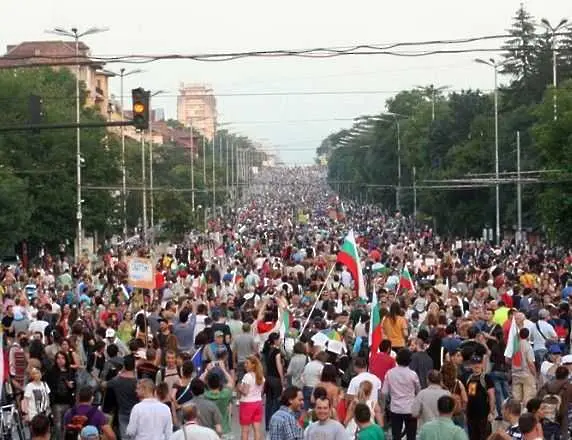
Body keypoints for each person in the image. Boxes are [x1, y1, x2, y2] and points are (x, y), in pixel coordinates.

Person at [381, 349, 420, 440]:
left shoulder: (390, 373)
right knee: (411, 436)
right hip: (410, 408)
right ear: (409, 360)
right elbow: (418, 390)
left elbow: (384, 392)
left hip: (395, 408)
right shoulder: (413, 374)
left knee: (396, 435)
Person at [465, 355, 495, 440]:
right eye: (474, 363)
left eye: (478, 363)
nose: (476, 365)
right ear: (471, 365)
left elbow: (492, 396)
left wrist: (491, 412)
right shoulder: (469, 378)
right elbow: (468, 396)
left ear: (482, 364)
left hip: (483, 415)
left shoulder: (486, 378)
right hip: (471, 416)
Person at [237, 355, 264, 440]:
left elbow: (245, 392)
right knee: (257, 429)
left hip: (247, 404)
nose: (245, 364)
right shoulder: (261, 377)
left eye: (247, 363)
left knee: (245, 430)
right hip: (258, 403)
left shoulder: (247, 376)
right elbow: (261, 391)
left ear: (253, 365)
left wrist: (238, 388)